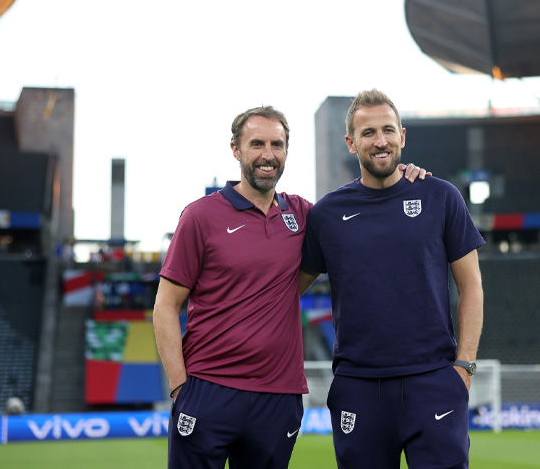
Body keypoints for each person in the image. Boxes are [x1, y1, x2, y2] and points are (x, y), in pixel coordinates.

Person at [153, 105, 427, 469]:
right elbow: (165, 306)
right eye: (257, 144)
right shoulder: (200, 216)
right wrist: (179, 387)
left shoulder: (303, 215)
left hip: (278, 397)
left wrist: (401, 178)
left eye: (277, 145)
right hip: (208, 389)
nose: (268, 155)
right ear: (236, 150)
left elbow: (363, 214)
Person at [299, 89, 485, 469]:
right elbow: (286, 291)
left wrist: (463, 367)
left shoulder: (441, 196)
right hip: (358, 386)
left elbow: (471, 287)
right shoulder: (327, 214)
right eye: (368, 133)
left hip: (433, 380)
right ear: (351, 143)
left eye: (387, 130)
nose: (380, 141)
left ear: (403, 136)